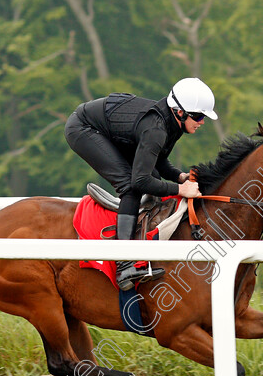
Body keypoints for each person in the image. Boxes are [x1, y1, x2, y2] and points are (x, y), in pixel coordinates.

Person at [65, 77, 218, 291]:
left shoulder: (171, 121)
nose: (202, 122)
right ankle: (124, 264)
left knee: (152, 174)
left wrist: (178, 177)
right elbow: (140, 180)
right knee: (130, 186)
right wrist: (181, 189)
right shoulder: (156, 129)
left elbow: (158, 160)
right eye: (199, 116)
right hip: (84, 128)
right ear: (180, 112)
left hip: (107, 127)